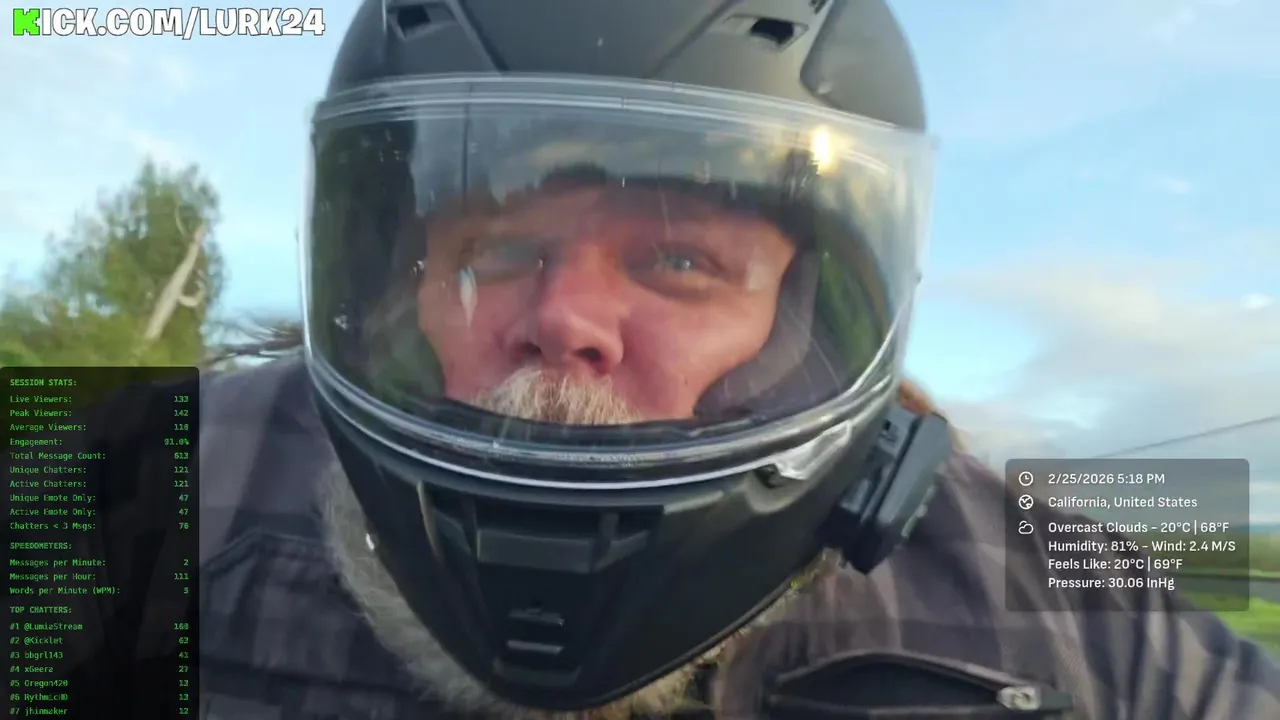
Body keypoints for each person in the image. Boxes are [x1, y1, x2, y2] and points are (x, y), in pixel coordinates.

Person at [194, 1, 1280, 718]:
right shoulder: (189, 475)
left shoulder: (1050, 601)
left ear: (808, 321)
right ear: (396, 288)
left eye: (679, 260)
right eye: (498, 250)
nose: (565, 320)